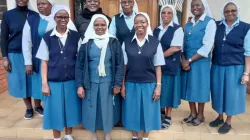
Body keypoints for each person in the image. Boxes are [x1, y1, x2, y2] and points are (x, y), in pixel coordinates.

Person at [36, 6, 81, 140]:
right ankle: (57, 138)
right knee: (55, 110)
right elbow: (44, 62)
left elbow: (80, 60)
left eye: (65, 17)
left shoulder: (76, 36)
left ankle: (68, 135)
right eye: (59, 17)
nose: (63, 19)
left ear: (69, 19)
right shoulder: (47, 37)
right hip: (54, 81)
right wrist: (44, 83)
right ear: (54, 18)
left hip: (71, 80)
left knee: (70, 110)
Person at [75, 14, 124, 140]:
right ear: (93, 26)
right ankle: (93, 134)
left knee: (107, 109)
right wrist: (80, 85)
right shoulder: (86, 43)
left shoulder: (113, 42)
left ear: (106, 26)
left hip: (108, 82)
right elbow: (79, 65)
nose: (100, 27)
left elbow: (119, 64)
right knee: (91, 108)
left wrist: (118, 84)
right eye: (97, 25)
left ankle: (107, 134)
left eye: (103, 25)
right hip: (90, 82)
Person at [121, 12, 165, 140]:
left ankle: (145, 137)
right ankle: (134, 136)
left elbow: (158, 66)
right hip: (131, 83)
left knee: (149, 112)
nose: (140, 24)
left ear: (147, 24)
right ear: (133, 25)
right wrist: (123, 85)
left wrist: (158, 86)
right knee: (132, 111)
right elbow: (124, 66)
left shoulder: (155, 42)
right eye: (136, 22)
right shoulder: (126, 42)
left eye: (143, 22)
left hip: (149, 84)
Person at [209, 1, 250, 134]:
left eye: (233, 11)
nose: (230, 13)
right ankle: (220, 117)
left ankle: (228, 121)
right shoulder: (217, 26)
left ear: (237, 11)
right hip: (217, 65)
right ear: (223, 13)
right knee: (218, 92)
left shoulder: (246, 28)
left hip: (235, 67)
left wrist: (246, 73)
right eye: (227, 11)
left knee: (231, 95)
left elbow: (248, 52)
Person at [181, 0, 216, 126]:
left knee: (200, 88)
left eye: (198, 5)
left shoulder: (209, 22)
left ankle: (201, 115)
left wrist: (189, 60)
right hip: (187, 61)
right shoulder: (189, 24)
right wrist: (183, 60)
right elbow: (183, 43)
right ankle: (193, 113)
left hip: (200, 61)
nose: (195, 8)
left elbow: (207, 46)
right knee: (189, 87)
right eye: (193, 6)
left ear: (203, 7)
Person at [0, 0, 37, 120]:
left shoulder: (34, 15)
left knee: (35, 80)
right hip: (15, 53)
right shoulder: (8, 15)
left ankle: (37, 106)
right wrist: (5, 57)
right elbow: (3, 37)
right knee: (22, 81)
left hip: (33, 53)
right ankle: (29, 107)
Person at [22, 0, 55, 118]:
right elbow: (26, 42)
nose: (41, 6)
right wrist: (28, 62)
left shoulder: (58, 16)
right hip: (39, 59)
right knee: (40, 84)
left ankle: (53, 108)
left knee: (54, 85)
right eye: (38, 4)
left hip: (56, 59)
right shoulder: (31, 19)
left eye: (44, 3)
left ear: (51, 5)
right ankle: (38, 107)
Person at [153, 4, 184, 129]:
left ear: (173, 15)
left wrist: (158, 57)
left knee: (169, 91)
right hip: (158, 66)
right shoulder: (157, 29)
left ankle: (168, 116)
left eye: (169, 13)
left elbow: (175, 48)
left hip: (170, 64)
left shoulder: (177, 29)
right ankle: (160, 113)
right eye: (163, 13)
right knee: (161, 89)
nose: (165, 15)